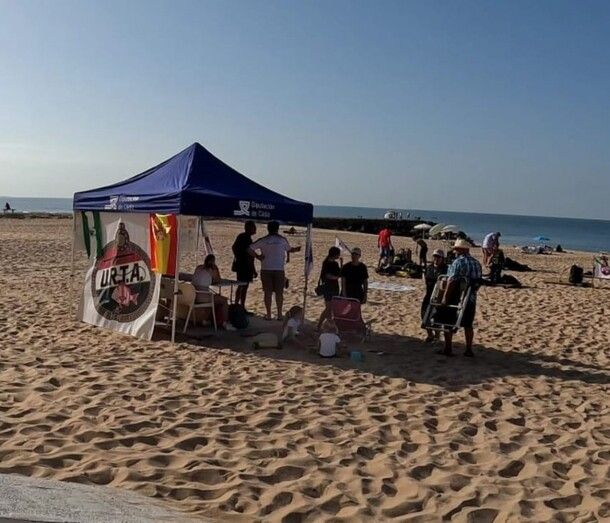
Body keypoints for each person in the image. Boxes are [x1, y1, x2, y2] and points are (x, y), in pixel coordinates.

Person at [249, 221, 301, 321]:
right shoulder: (282, 240)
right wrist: (297, 249)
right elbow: (289, 249)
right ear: (277, 229)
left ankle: (269, 314)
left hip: (266, 268)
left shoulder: (263, 240)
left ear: (268, 229)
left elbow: (249, 249)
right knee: (279, 293)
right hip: (279, 269)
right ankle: (279, 314)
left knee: (267, 293)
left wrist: (258, 256)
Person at [440, 239, 482, 357]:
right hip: (470, 296)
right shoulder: (476, 263)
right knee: (468, 324)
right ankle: (468, 349)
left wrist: (445, 297)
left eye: (456, 249)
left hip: (456, 296)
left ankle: (448, 348)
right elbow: (478, 281)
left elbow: (452, 281)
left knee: (448, 321)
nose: (455, 251)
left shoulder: (458, 262)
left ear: (461, 250)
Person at [193, 254, 229, 327]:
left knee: (213, 297)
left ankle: (205, 320)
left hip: (193, 294)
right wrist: (216, 269)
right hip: (202, 296)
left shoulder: (198, 267)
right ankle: (225, 323)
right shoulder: (212, 270)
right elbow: (217, 280)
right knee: (224, 300)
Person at [421, 249, 447, 342]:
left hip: (439, 295)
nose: (436, 259)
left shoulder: (445, 269)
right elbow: (426, 278)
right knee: (424, 314)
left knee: (437, 317)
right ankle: (430, 335)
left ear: (442, 258)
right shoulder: (429, 268)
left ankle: (437, 335)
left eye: (438, 257)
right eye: (435, 256)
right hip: (429, 294)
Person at [232, 221, 257, 312]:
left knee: (242, 286)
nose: (255, 229)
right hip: (245, 266)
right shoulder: (245, 238)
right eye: (253, 227)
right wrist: (240, 258)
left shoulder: (243, 237)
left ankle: (238, 305)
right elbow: (248, 254)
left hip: (244, 265)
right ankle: (239, 306)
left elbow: (234, 248)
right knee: (243, 286)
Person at [316, 246, 342, 330]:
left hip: (334, 287)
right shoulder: (326, 263)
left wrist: (341, 264)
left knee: (331, 308)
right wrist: (335, 277)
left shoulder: (335, 263)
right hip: (328, 287)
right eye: (338, 254)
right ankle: (319, 325)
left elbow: (339, 273)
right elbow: (327, 275)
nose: (339, 256)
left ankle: (327, 325)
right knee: (328, 308)